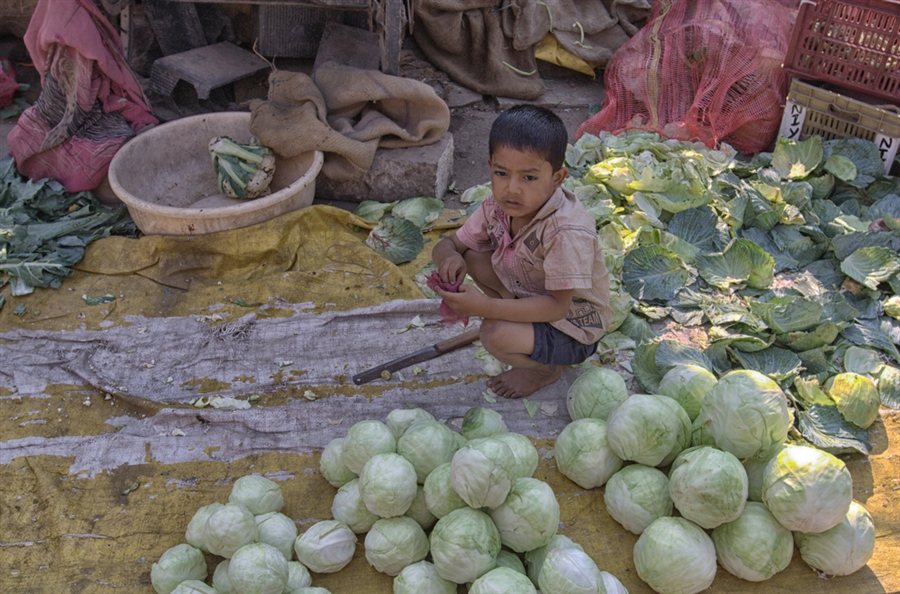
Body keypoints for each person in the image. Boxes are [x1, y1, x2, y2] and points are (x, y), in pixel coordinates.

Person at [431, 104, 614, 399]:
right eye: (502, 173)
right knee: (472, 256)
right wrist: (449, 258)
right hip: (531, 296)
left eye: (529, 178)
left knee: (494, 334)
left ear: (558, 178)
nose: (512, 189)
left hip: (571, 326)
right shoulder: (496, 205)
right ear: (490, 166)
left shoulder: (565, 230)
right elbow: (448, 245)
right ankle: (517, 322)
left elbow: (557, 307)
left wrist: (484, 308)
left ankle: (544, 369)